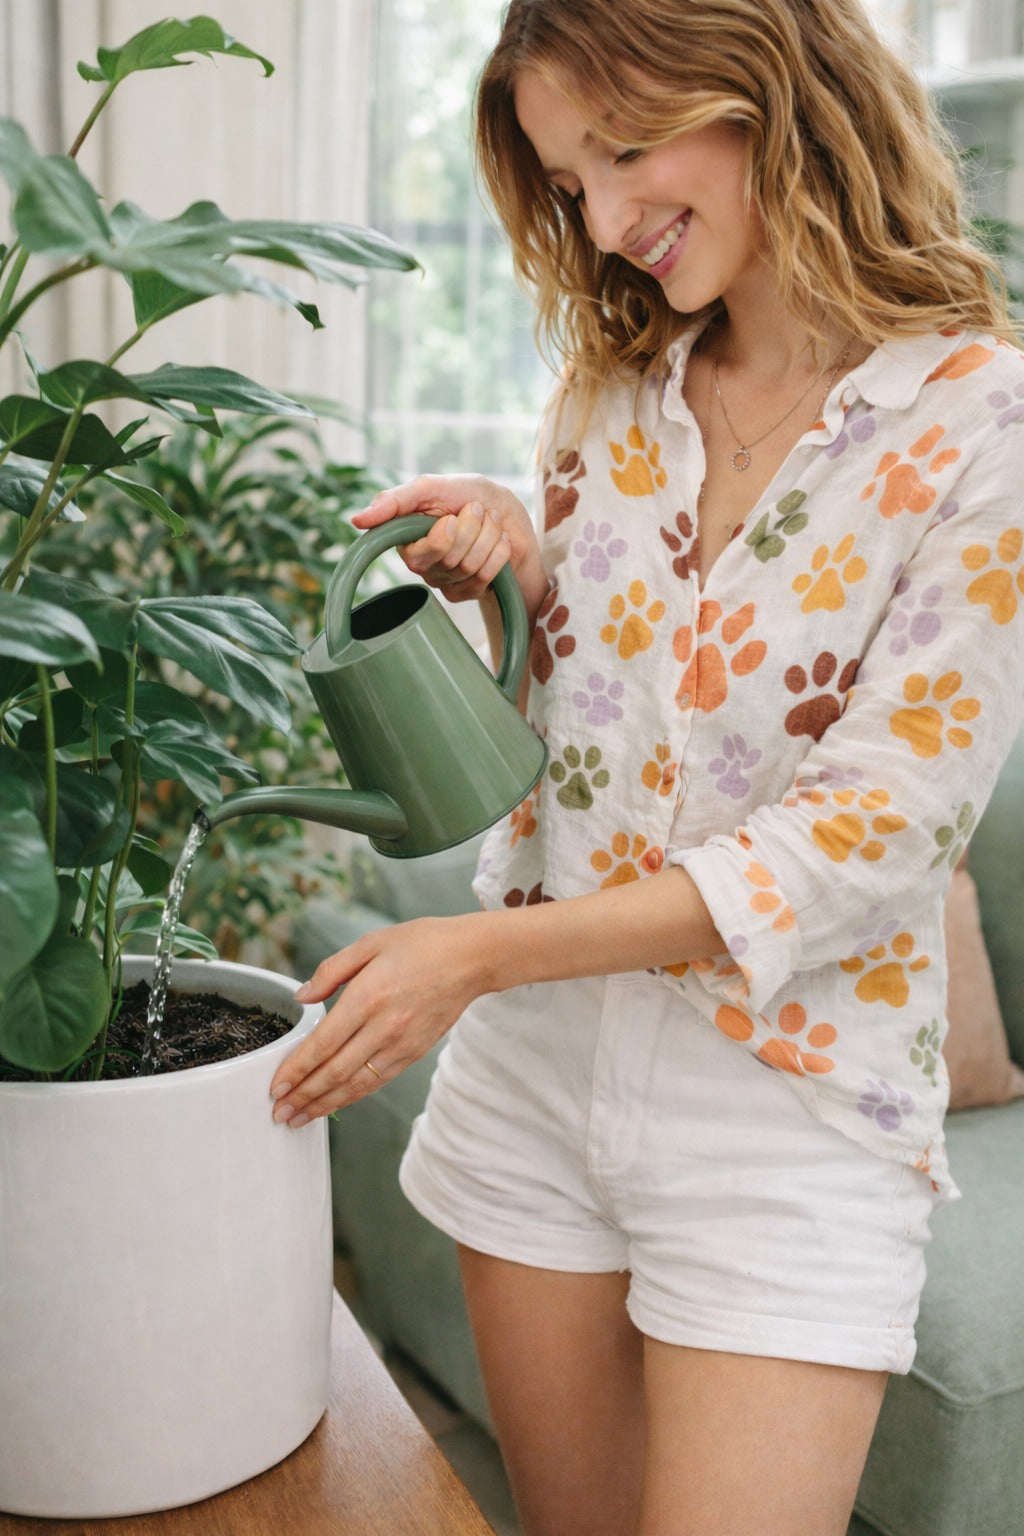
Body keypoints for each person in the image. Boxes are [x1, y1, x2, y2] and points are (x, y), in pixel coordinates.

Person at [271, 2, 1024, 1531]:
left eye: (625, 149)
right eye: (570, 182)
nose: (608, 223)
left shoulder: (981, 422)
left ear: (771, 90)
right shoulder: (616, 391)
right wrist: (520, 564)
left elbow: (873, 833)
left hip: (790, 1109)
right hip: (540, 1077)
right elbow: (618, 696)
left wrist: (476, 953)